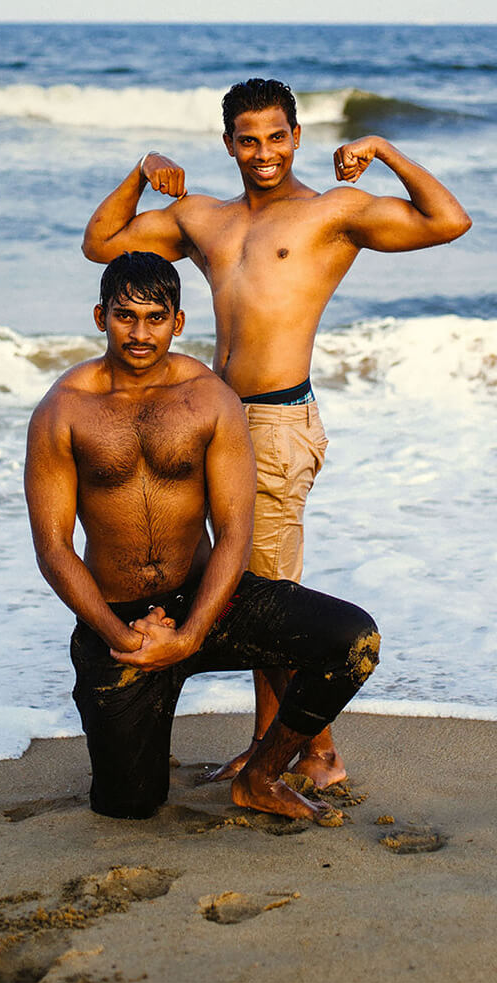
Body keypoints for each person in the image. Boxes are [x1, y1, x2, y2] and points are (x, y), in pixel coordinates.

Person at [81, 79, 471, 783]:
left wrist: (382, 150)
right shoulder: (204, 219)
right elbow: (101, 243)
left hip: (274, 420)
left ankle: (308, 755)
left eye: (277, 136)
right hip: (208, 422)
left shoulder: (331, 214)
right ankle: (273, 746)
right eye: (248, 139)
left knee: (266, 594)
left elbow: (448, 221)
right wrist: (142, 174)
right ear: (229, 143)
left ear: (298, 136)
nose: (264, 152)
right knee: (223, 585)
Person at [24, 251, 380, 822]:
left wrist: (189, 636)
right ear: (100, 316)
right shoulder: (63, 411)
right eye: (125, 316)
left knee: (352, 640)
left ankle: (262, 776)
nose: (141, 333)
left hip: (207, 604)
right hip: (117, 624)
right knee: (130, 806)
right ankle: (143, 715)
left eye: (155, 318)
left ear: (179, 322)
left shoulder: (209, 398)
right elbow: (53, 549)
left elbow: (235, 531)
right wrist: (127, 639)